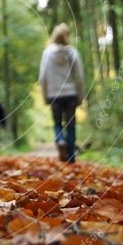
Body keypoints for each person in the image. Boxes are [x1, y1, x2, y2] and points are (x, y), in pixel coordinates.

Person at [38, 23, 85, 163]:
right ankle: (71, 156)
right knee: (71, 125)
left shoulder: (47, 53)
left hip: (54, 95)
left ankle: (60, 140)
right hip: (71, 94)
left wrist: (45, 96)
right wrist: (81, 96)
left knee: (57, 123)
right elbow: (79, 77)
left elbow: (42, 78)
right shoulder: (72, 52)